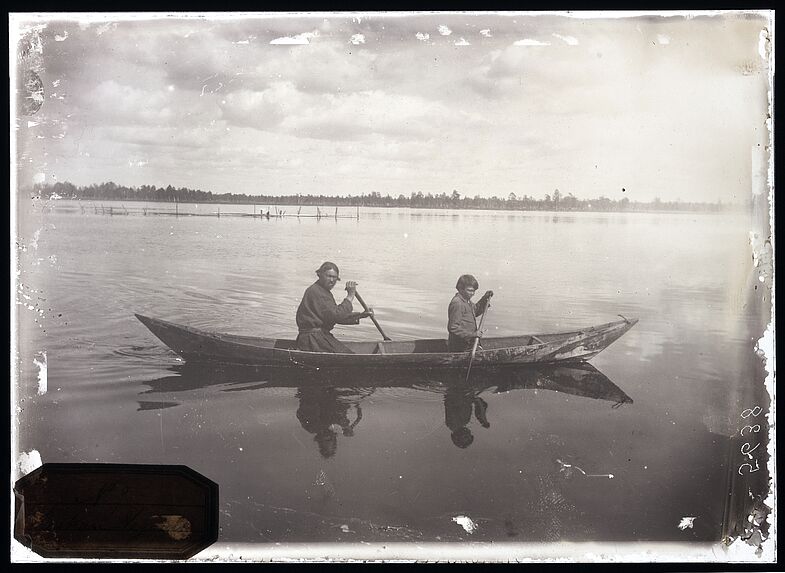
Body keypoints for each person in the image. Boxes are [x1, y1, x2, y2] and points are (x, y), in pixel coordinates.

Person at [296, 261, 373, 353]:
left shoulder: (323, 291)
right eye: (329, 276)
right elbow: (337, 316)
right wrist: (350, 296)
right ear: (320, 275)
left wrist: (361, 315)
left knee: (348, 354)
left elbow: (334, 317)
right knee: (348, 356)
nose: (332, 280)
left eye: (334, 277)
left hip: (318, 337)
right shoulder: (316, 291)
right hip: (312, 340)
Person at [447, 274, 493, 352]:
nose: (472, 293)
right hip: (461, 347)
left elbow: (475, 311)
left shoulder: (466, 300)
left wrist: (484, 299)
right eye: (470, 290)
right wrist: (473, 335)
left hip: (468, 343)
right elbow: (453, 328)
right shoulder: (458, 303)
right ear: (461, 289)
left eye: (474, 291)